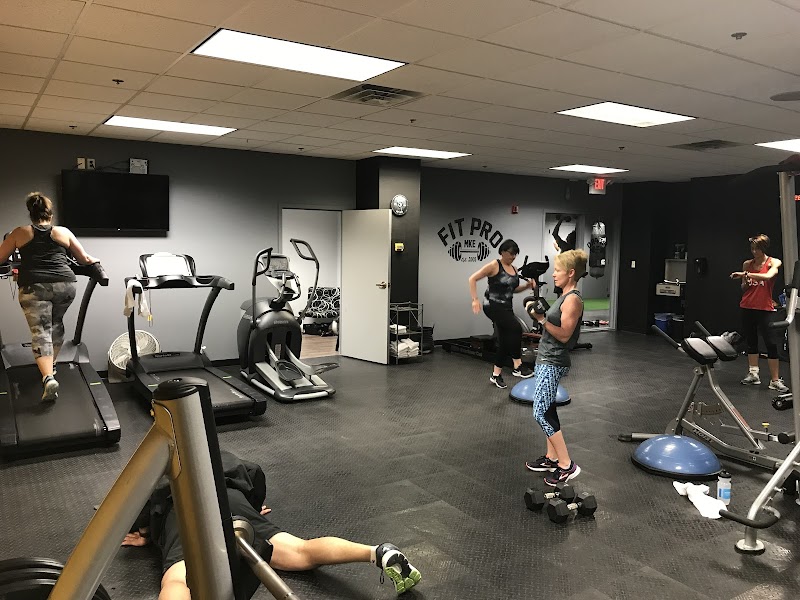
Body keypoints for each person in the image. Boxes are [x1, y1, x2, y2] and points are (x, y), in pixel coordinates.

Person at [122, 451, 422, 599]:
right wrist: (251, 510)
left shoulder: (157, 468)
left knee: (177, 581)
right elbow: (254, 477)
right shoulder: (220, 458)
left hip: (183, 511)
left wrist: (145, 534)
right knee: (301, 551)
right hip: (233, 501)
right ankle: (378, 552)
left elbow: (138, 511)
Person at [0, 192, 98, 401]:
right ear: (50, 215)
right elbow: (84, 259)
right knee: (56, 323)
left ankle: (48, 378)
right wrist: (96, 262)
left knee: (41, 330)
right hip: (65, 285)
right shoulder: (63, 232)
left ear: (31, 213)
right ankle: (50, 365)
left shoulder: (19, 233)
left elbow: (0, 258)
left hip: (34, 287)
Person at [524, 250, 587, 486]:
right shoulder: (564, 297)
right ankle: (551, 458)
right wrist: (538, 313)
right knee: (548, 408)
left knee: (540, 413)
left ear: (570, 273)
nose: (553, 274)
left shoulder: (573, 300)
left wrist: (541, 320)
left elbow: (564, 335)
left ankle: (566, 464)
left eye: (558, 271)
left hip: (554, 361)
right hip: (546, 358)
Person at [469, 239, 535, 389]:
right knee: (516, 328)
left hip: (506, 307)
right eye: (511, 253)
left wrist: (526, 287)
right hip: (492, 306)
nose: (513, 257)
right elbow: (472, 279)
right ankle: (517, 365)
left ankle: (496, 375)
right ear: (503, 252)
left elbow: (512, 289)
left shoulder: (514, 269)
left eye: (515, 254)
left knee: (504, 341)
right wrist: (475, 300)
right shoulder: (494, 265)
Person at [729, 234, 788, 392]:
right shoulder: (747, 264)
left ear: (764, 248)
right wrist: (747, 282)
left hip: (764, 308)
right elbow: (744, 288)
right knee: (751, 341)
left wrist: (744, 274)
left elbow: (768, 277)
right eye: (752, 249)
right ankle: (753, 374)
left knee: (771, 343)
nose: (754, 252)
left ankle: (775, 380)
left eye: (757, 249)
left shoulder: (773, 262)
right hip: (747, 306)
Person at [552, 215, 576, 297]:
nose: (567, 237)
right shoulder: (574, 248)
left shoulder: (566, 246)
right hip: (569, 273)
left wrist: (561, 220)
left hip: (563, 271)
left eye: (568, 236)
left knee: (561, 294)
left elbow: (554, 233)